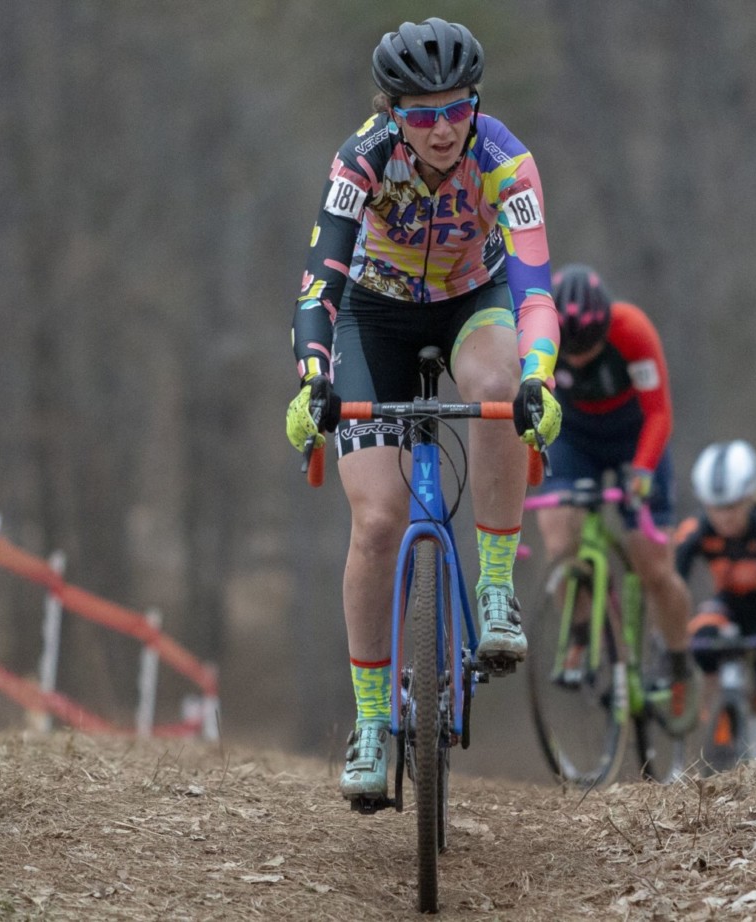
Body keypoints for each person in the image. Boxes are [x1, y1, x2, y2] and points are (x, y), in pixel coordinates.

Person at [284, 18, 561, 804]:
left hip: (475, 300)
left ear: (475, 103)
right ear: (391, 111)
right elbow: (319, 285)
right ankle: (373, 721)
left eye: (455, 108)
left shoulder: (506, 161)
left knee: (504, 384)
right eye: (421, 113)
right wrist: (311, 377)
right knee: (377, 521)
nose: (441, 129)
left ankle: (497, 586)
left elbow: (536, 290)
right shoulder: (359, 160)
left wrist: (541, 374)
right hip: (372, 316)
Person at [532, 264, 701, 735]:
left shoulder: (633, 332)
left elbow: (659, 412)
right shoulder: (541, 336)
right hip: (576, 438)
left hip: (635, 437)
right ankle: (582, 637)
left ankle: (678, 656)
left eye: (590, 349)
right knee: (559, 537)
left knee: (653, 564)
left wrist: (644, 471)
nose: (581, 361)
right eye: (573, 351)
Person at [674, 440, 756, 753]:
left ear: (749, 499)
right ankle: (712, 712)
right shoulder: (696, 530)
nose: (724, 518)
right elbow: (672, 578)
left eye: (733, 507)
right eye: (716, 508)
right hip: (730, 608)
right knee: (698, 636)